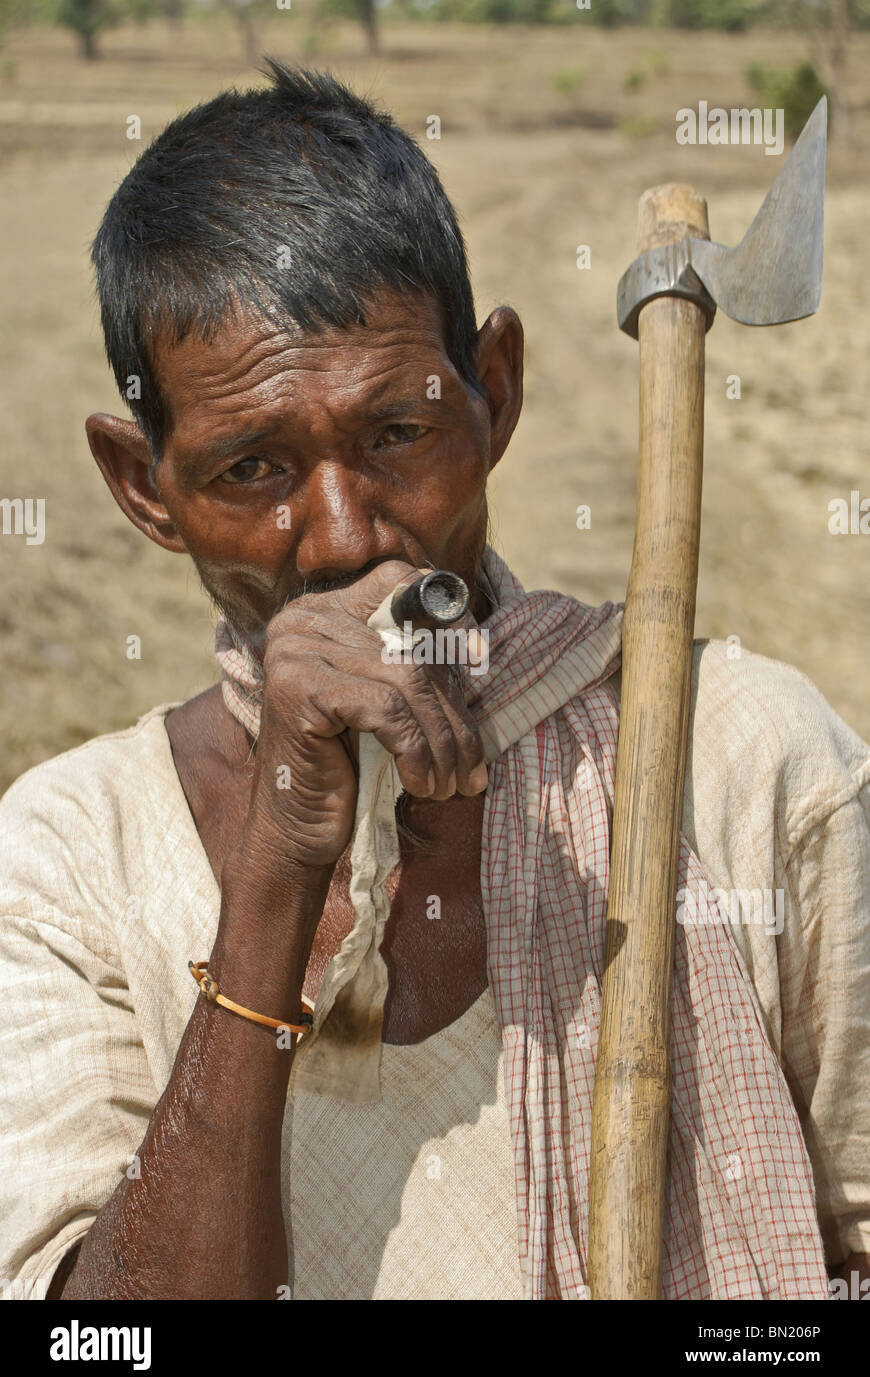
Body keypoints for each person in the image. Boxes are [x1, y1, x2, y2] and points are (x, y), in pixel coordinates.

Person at [0, 61, 867, 1303]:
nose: (345, 536)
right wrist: (278, 880)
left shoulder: (748, 763)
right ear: (144, 487)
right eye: (253, 467)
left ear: (493, 393)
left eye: (398, 434)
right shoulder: (72, 856)